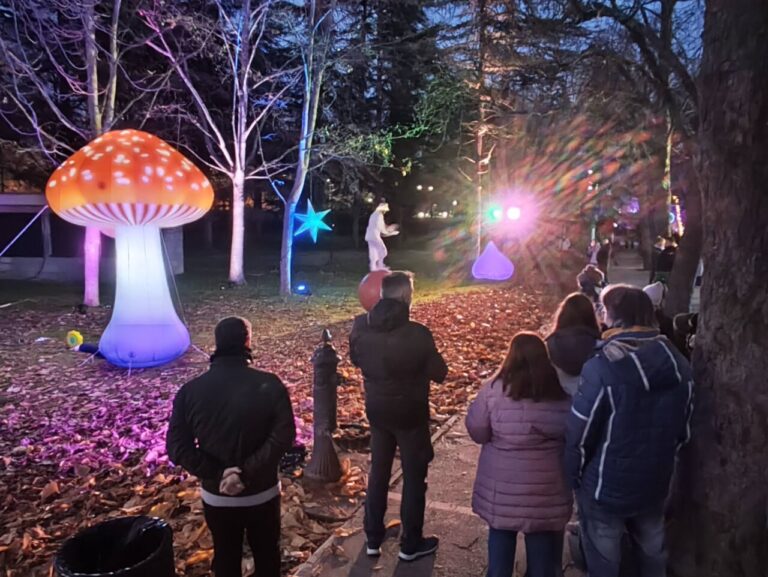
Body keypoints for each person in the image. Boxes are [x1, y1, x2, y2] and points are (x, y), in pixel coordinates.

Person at [564, 285, 694, 577]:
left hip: (604, 487)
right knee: (652, 552)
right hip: (655, 481)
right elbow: (683, 429)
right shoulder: (678, 361)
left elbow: (579, 434)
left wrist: (573, 476)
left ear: (612, 315)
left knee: (604, 559)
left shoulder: (603, 366)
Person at [167, 317, 296, 577]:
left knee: (225, 556)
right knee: (267, 555)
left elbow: (177, 446)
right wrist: (245, 473)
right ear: (247, 341)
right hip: (262, 491)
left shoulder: (190, 392)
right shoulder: (270, 384)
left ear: (217, 344)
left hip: (217, 495)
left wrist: (218, 474)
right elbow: (283, 435)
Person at [349, 271, 447, 561]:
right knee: (414, 476)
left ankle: (372, 537)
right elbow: (440, 373)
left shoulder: (360, 326)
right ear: (407, 296)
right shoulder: (417, 333)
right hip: (410, 412)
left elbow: (356, 359)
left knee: (379, 472)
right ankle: (410, 542)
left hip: (377, 409)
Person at [466, 332, 572, 577]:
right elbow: (571, 431)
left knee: (500, 538)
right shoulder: (558, 393)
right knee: (541, 545)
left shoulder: (494, 390)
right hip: (545, 486)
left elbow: (478, 430)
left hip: (502, 485)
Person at [545, 293, 601, 396]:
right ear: (591, 316)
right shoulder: (601, 347)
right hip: (593, 402)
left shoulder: (548, 346)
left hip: (558, 402)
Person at [365, 201, 400, 271]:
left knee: (374, 252)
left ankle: (373, 267)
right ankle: (380, 266)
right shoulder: (379, 215)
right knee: (383, 251)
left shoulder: (374, 215)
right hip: (374, 236)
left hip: (369, 236)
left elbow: (381, 227)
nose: (385, 212)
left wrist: (389, 229)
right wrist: (392, 232)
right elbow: (382, 230)